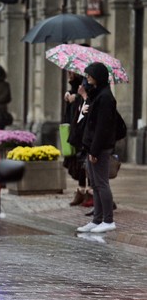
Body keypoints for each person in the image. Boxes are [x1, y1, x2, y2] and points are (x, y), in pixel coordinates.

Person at [76, 62, 118, 233]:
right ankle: (97, 219)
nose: (86, 77)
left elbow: (102, 127)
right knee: (95, 183)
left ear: (97, 76)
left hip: (99, 148)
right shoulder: (96, 94)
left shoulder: (106, 97)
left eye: (89, 75)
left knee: (101, 184)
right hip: (91, 146)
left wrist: (95, 150)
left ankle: (108, 220)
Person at [65, 77, 93, 206]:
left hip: (89, 132)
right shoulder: (79, 84)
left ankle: (93, 194)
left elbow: (91, 103)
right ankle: (82, 190)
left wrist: (80, 96)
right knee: (80, 160)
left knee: (89, 163)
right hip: (79, 127)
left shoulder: (98, 89)